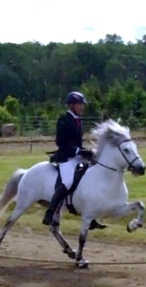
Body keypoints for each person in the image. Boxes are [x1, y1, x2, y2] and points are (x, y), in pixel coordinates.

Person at [43, 91, 106, 230]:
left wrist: (86, 151)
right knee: (68, 182)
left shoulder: (78, 121)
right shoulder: (63, 120)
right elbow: (61, 143)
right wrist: (78, 151)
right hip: (65, 158)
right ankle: (50, 212)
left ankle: (91, 217)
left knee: (91, 176)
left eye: (82, 104)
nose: (82, 107)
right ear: (71, 105)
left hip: (77, 157)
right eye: (80, 104)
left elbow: (77, 143)